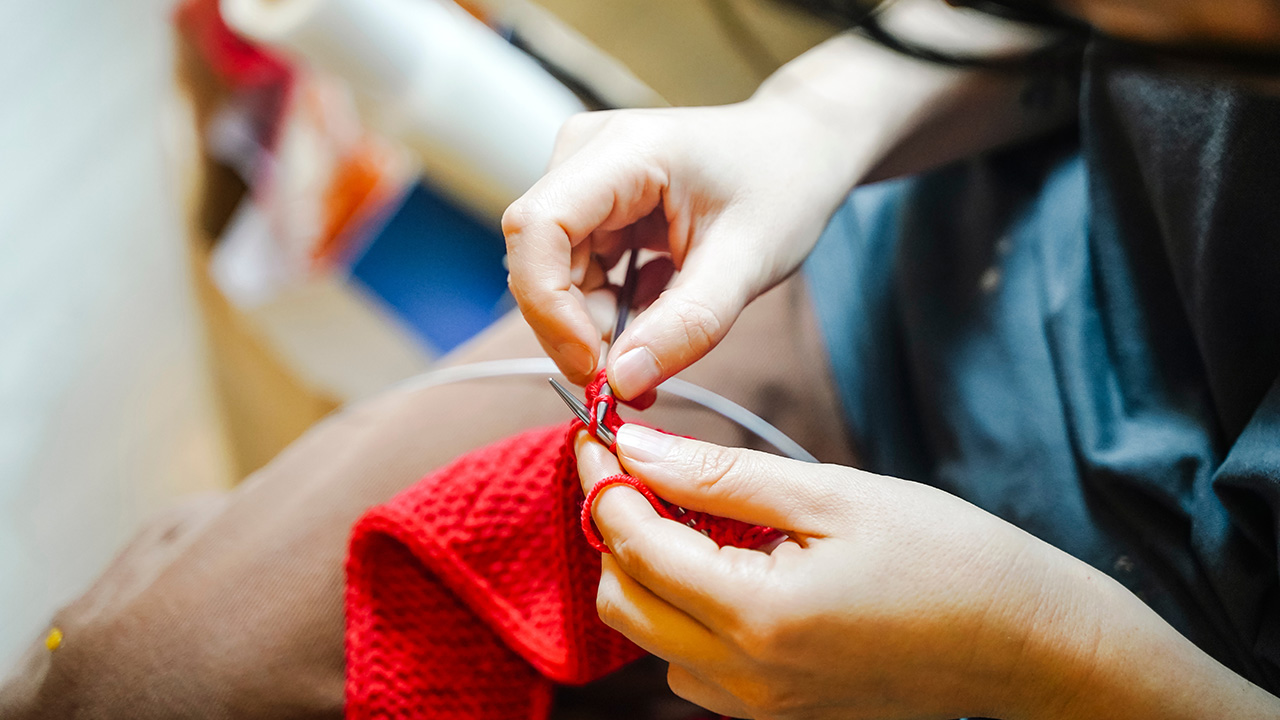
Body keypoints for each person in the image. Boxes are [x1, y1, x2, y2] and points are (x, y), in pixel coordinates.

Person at [3, 0, 1279, 717]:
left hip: (1142, 662)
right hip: (916, 276)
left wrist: (1032, 650)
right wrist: (808, 125)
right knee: (149, 686)